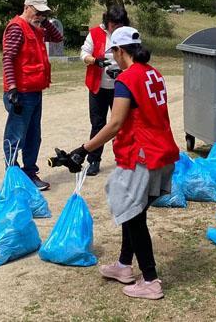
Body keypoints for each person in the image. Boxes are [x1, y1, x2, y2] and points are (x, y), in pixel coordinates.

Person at [62, 26, 179, 301]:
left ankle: (150, 280)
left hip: (142, 154)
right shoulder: (154, 73)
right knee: (131, 209)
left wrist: (83, 149)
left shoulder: (127, 79)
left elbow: (114, 123)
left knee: (134, 216)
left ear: (120, 51)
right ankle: (124, 266)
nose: (111, 56)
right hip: (162, 152)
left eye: (113, 50)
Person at [2, 0, 63, 191]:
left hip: (35, 90)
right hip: (20, 93)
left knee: (33, 136)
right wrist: (12, 88)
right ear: (26, 7)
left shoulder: (36, 27)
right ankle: (12, 175)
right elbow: (8, 58)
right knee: (16, 136)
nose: (40, 16)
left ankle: (29, 173)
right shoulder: (17, 28)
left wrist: (43, 20)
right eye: (37, 12)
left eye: (43, 14)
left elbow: (57, 37)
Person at [80, 5, 131, 176]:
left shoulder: (128, 33)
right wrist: (95, 61)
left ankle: (124, 159)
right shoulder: (95, 33)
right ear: (107, 21)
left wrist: (122, 72)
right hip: (98, 86)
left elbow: (134, 57)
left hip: (121, 87)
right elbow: (83, 54)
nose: (116, 27)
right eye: (113, 24)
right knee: (98, 124)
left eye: (119, 24)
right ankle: (94, 160)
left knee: (122, 125)